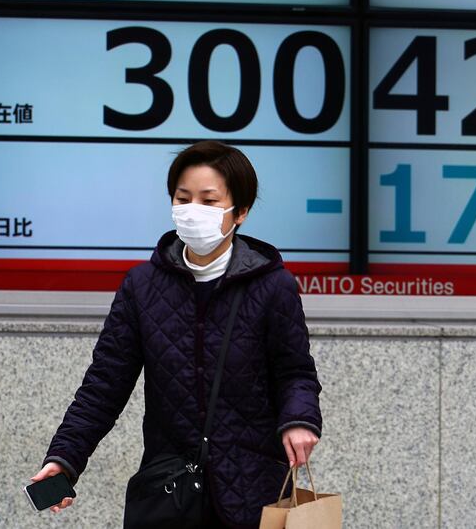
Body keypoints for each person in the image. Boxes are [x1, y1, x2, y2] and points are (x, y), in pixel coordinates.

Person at [30, 141, 323, 528]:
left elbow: (295, 372)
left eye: (208, 200)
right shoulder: (142, 285)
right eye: (183, 198)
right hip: (168, 490)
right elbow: (104, 384)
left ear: (242, 212)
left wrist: (299, 419)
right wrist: (64, 458)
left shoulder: (272, 286)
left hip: (250, 491)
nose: (192, 210)